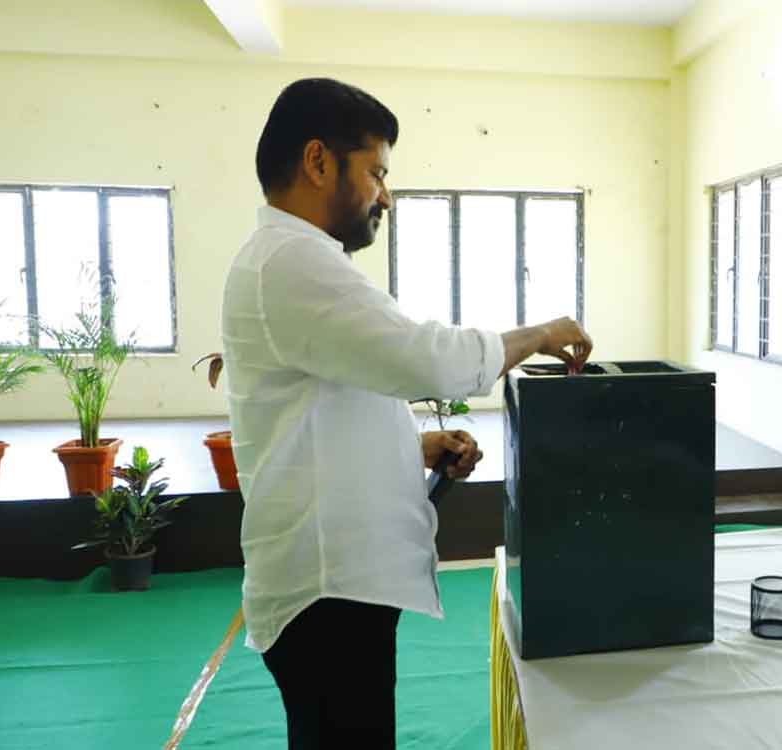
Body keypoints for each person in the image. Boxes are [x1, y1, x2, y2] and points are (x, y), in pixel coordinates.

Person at [221, 77, 593, 749]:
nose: (385, 196)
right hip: (328, 596)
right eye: (377, 173)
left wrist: (414, 448)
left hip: (334, 589)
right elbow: (427, 359)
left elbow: (328, 405)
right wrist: (540, 333)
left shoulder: (293, 260)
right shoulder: (291, 262)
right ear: (317, 161)